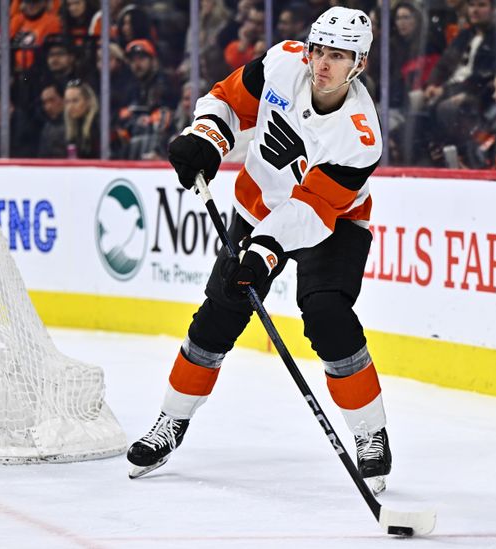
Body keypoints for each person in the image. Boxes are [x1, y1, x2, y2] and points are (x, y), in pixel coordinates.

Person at [127, 6, 392, 494]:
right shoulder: (282, 63)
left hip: (334, 222)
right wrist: (205, 138)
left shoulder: (360, 136)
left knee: (327, 313)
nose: (322, 64)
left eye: (338, 55)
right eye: (319, 51)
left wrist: (264, 251)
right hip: (257, 204)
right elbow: (227, 101)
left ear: (359, 64)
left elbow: (312, 210)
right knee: (218, 315)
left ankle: (369, 432)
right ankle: (171, 420)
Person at [63, 79, 100, 158]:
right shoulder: (66, 129)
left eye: (75, 101)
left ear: (88, 101)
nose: (70, 107)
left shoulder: (98, 126)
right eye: (67, 102)